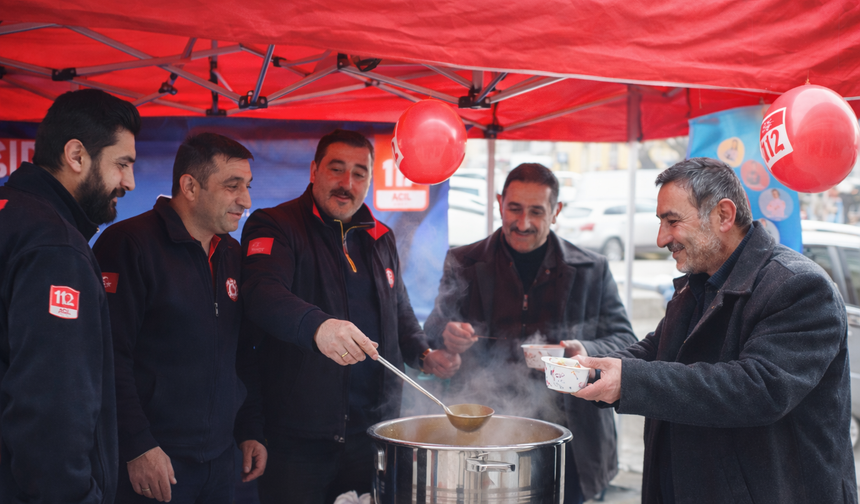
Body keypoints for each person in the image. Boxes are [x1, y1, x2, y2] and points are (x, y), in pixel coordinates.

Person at [575, 157, 858, 504]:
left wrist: (629, 380)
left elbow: (758, 388)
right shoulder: (701, 281)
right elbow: (657, 349)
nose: (663, 238)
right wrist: (589, 368)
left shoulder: (800, 287)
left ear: (724, 215)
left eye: (672, 221)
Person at [240, 129, 460, 503]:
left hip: (374, 431)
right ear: (313, 171)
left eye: (359, 173)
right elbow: (262, 294)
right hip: (298, 436)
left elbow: (400, 309)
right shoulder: (275, 225)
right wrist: (318, 326)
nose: (347, 184)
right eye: (336, 169)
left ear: (370, 180)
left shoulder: (380, 236)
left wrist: (425, 354)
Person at [423, 163, 638, 503]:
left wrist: (582, 349)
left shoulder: (590, 269)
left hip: (571, 437)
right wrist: (447, 335)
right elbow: (432, 331)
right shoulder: (465, 260)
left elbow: (626, 340)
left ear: (556, 212)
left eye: (537, 212)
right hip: (485, 433)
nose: (523, 223)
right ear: (498, 203)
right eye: (514, 209)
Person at [93, 133, 267, 503]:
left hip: (220, 461)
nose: (246, 200)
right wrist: (138, 446)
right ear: (189, 186)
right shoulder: (128, 243)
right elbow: (107, 358)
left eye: (247, 186)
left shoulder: (232, 253)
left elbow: (242, 352)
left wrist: (249, 429)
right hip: (153, 461)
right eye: (232, 186)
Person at [0, 88, 139, 503]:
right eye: (122, 164)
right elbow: (52, 404)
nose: (129, 182)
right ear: (76, 156)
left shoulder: (14, 214)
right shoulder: (55, 247)